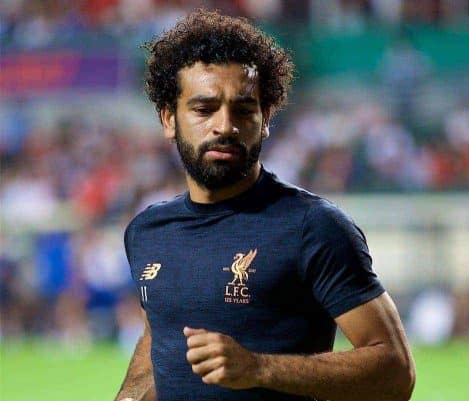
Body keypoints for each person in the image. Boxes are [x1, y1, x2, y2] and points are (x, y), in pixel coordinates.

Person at [115, 9, 415, 401]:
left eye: (243, 109)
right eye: (204, 110)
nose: (225, 126)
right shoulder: (147, 232)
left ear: (266, 117)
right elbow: (159, 343)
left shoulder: (313, 226)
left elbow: (395, 371)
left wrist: (260, 367)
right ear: (169, 119)